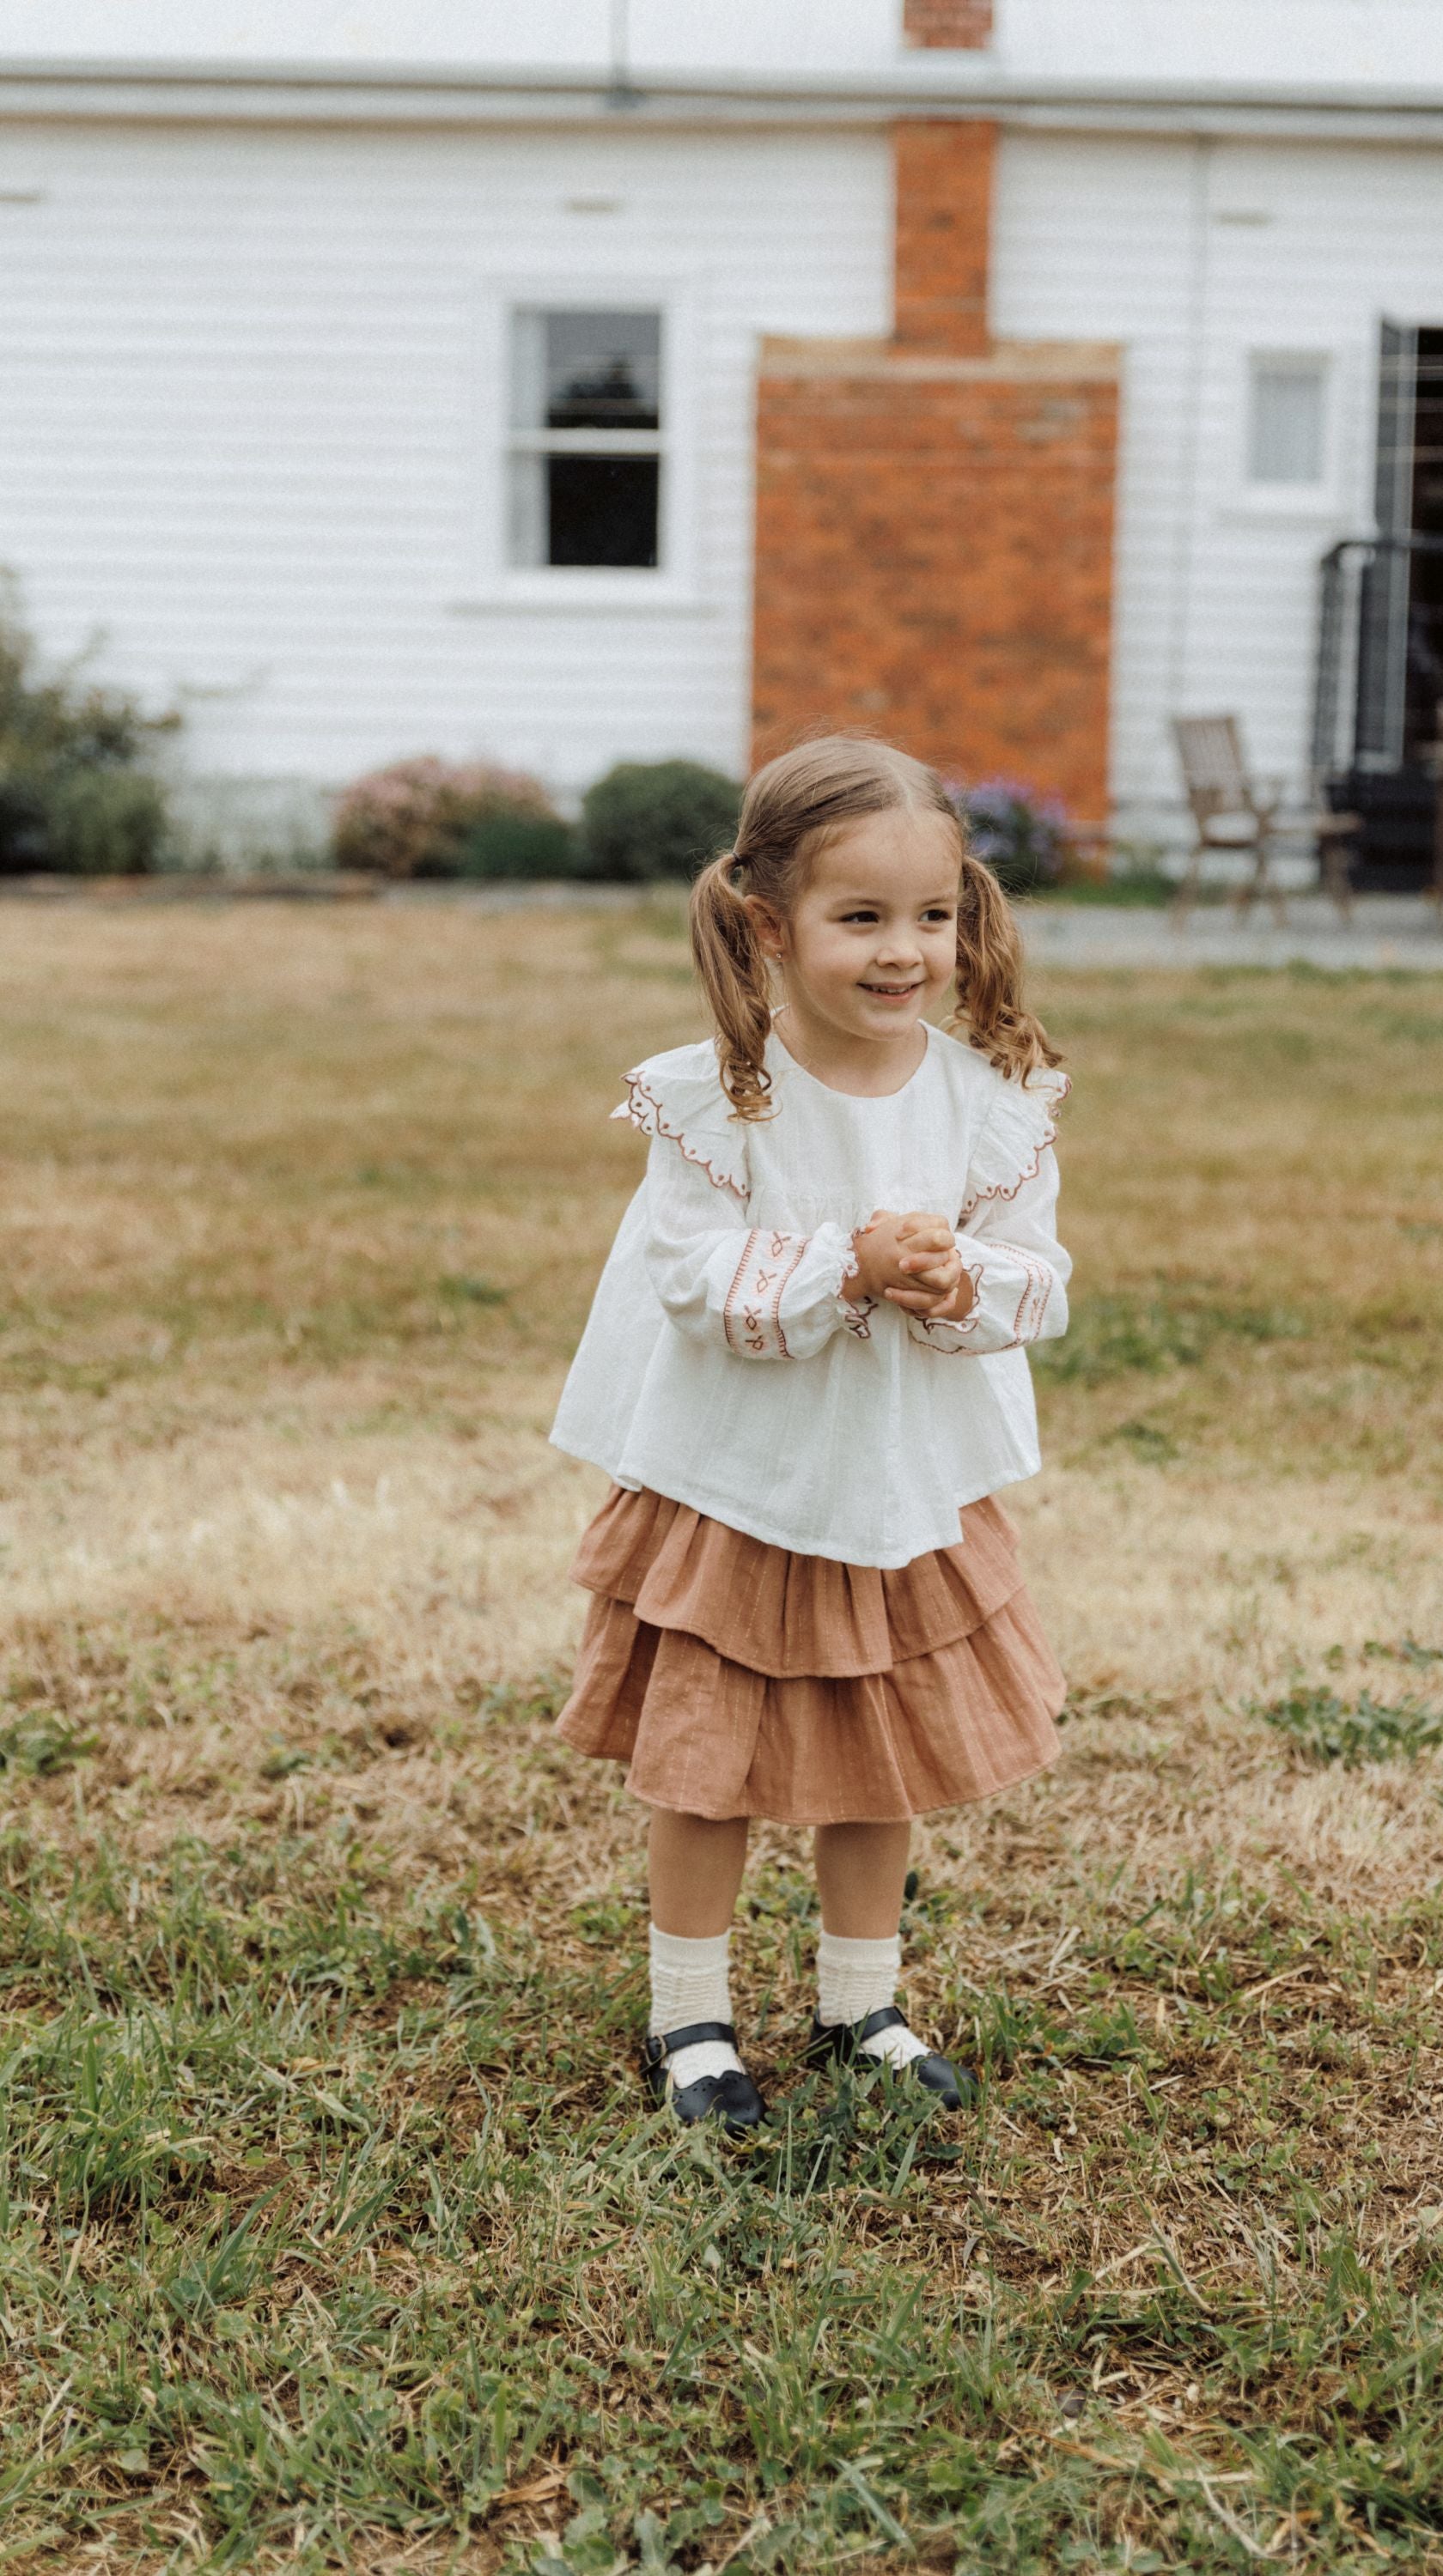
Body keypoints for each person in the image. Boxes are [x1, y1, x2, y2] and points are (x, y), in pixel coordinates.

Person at [549, 735, 1071, 2133]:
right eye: (862, 919)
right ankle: (690, 2015)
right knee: (709, 1763)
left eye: (933, 916)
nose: (904, 952)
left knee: (877, 1753)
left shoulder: (992, 1107)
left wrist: (962, 1277)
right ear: (770, 925)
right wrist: (843, 1265)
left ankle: (861, 1999)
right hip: (743, 1486)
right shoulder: (720, 1104)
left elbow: (1041, 1277)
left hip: (900, 1488)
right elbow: (692, 1278)